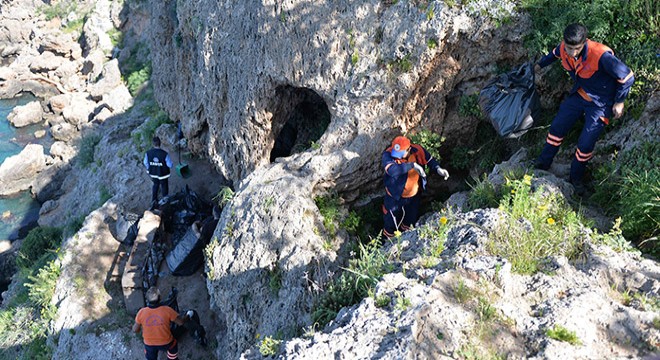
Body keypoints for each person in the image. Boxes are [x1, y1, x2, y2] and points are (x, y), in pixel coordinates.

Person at [533, 23, 634, 194]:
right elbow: (552, 55)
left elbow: (627, 76)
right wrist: (538, 66)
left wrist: (619, 102)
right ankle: (542, 164)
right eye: (569, 47)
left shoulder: (600, 55)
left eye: (576, 48)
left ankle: (576, 179)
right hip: (580, 94)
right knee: (557, 127)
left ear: (584, 42)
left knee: (586, 144)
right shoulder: (564, 48)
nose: (571, 52)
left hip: (601, 102)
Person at [381, 135, 450, 239]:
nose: (397, 156)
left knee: (410, 220)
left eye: (401, 153)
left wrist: (438, 168)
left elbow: (429, 160)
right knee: (391, 221)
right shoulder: (388, 154)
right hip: (394, 198)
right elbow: (392, 170)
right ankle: (387, 243)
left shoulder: (417, 150)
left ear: (409, 149)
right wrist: (412, 165)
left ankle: (405, 240)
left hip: (413, 196)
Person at [133, 287, 192, 360]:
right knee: (173, 346)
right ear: (160, 298)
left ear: (147, 299)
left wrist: (141, 330)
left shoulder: (141, 312)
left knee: (150, 355)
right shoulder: (167, 310)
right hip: (166, 343)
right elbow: (181, 322)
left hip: (149, 344)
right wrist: (188, 315)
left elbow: (135, 329)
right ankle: (172, 358)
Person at [144, 136, 173, 208]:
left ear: (153, 144)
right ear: (160, 143)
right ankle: (165, 200)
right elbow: (170, 165)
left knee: (155, 185)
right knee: (164, 185)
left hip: (153, 173)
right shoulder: (164, 154)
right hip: (163, 174)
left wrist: (149, 168)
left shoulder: (148, 153)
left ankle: (154, 200)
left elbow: (145, 162)